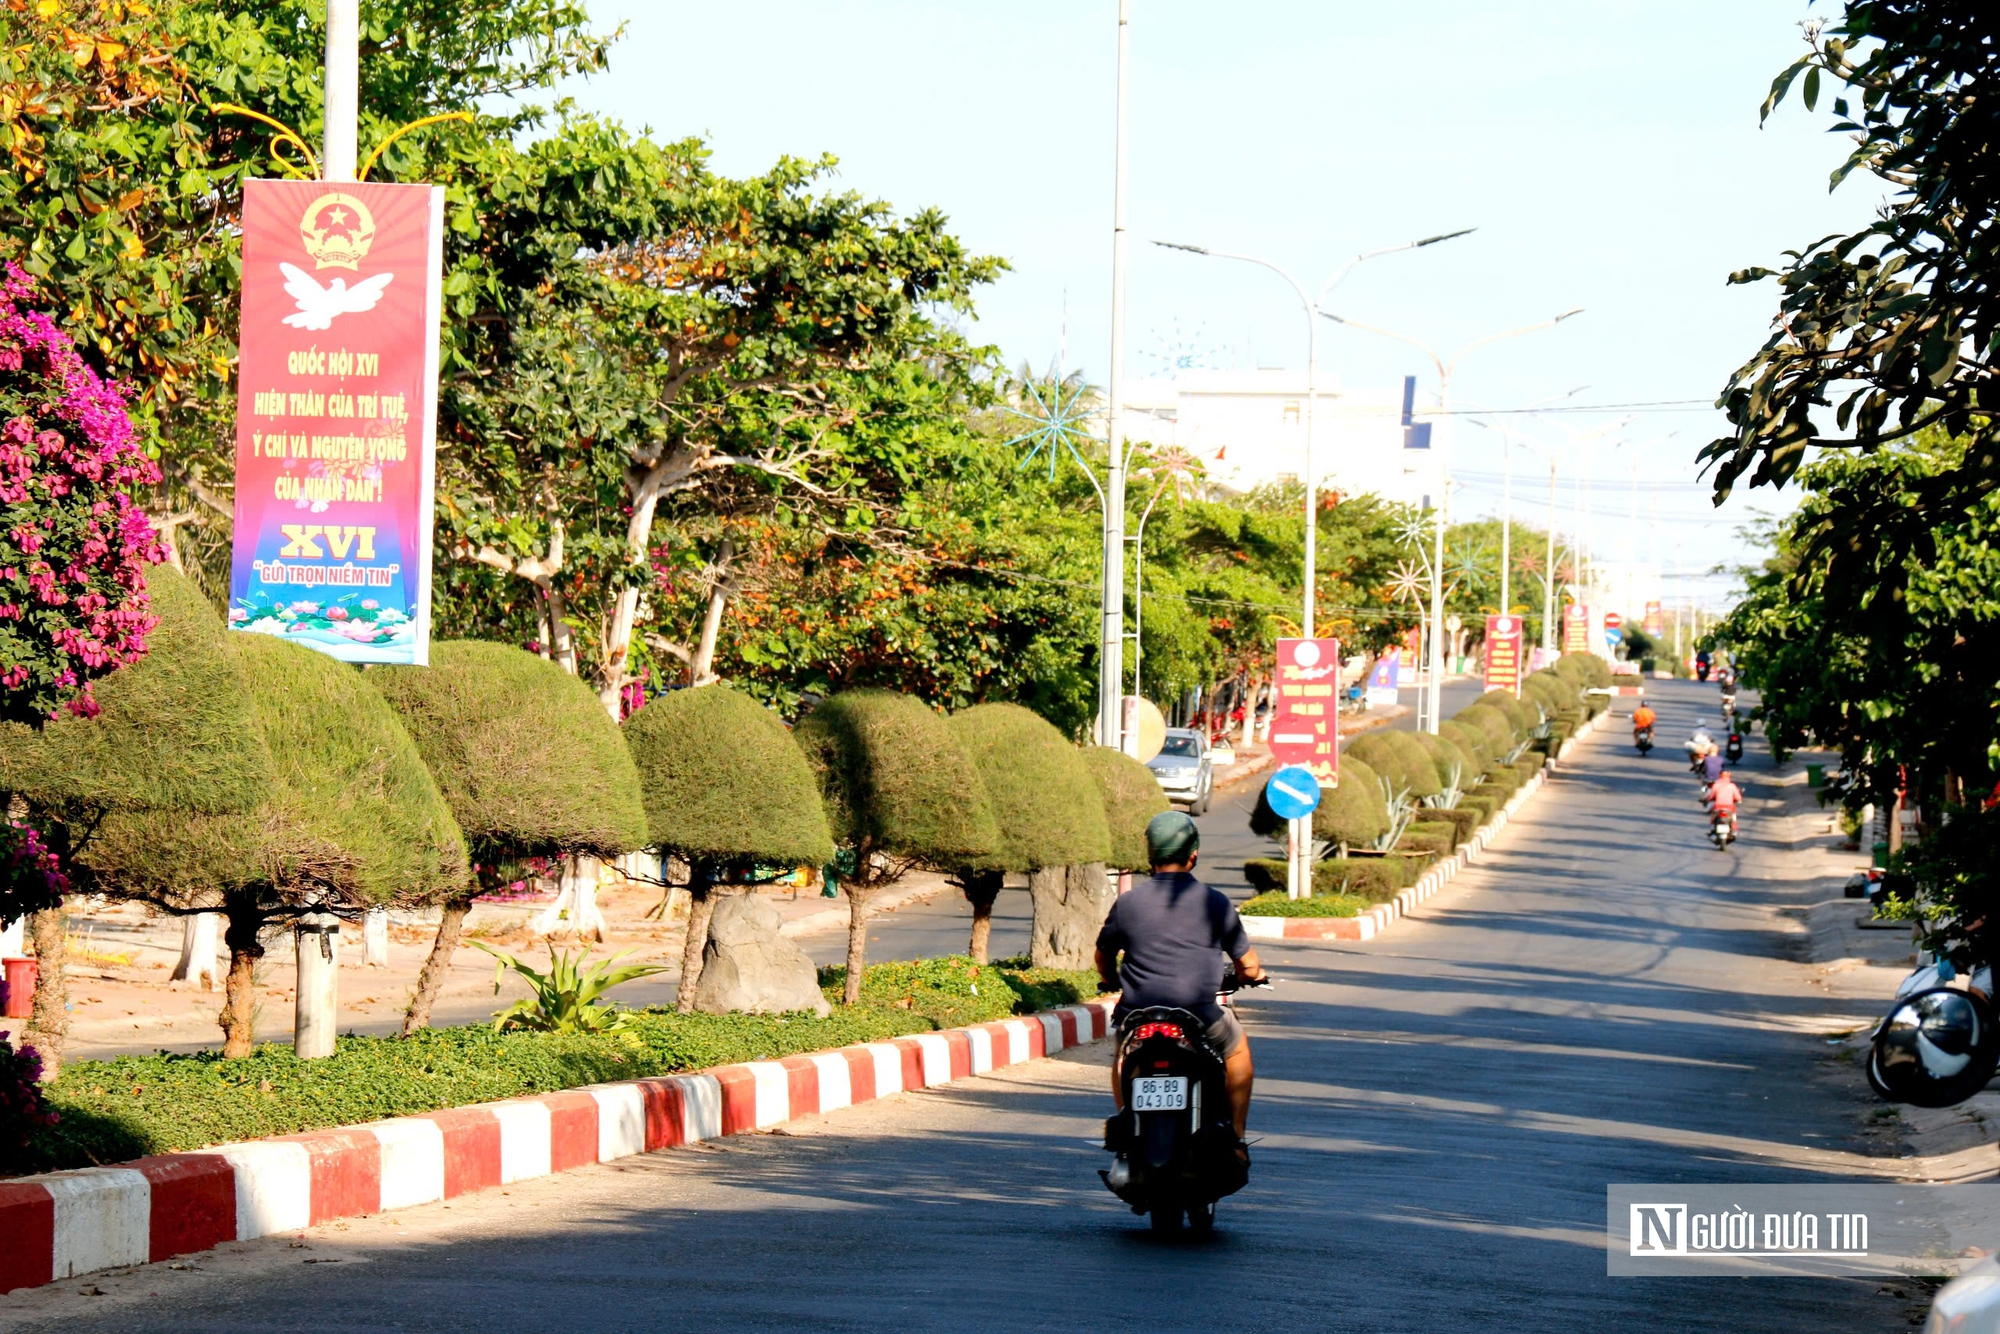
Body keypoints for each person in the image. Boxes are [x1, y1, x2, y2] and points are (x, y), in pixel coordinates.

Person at [1095, 811, 1266, 1146]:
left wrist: (1112, 979)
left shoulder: (1127, 904)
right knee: (1237, 1050)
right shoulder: (1214, 902)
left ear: (1151, 854)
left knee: (1122, 1053)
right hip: (1198, 1014)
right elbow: (1247, 964)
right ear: (1193, 855)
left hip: (1137, 1015)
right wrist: (1253, 976)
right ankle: (1236, 1138)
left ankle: (1127, 1121)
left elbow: (1103, 957)